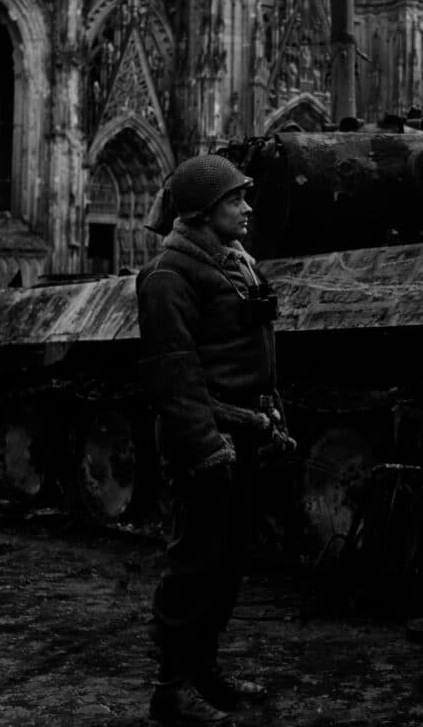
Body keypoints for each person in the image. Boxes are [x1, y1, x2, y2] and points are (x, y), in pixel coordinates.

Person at [136, 153, 290, 727]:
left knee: (226, 562)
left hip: (241, 430)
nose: (247, 208)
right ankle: (171, 690)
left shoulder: (234, 264)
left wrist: (272, 411)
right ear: (202, 212)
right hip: (205, 440)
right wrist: (205, 447)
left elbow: (250, 349)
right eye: (235, 200)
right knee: (195, 563)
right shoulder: (170, 276)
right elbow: (173, 374)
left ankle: (205, 669)